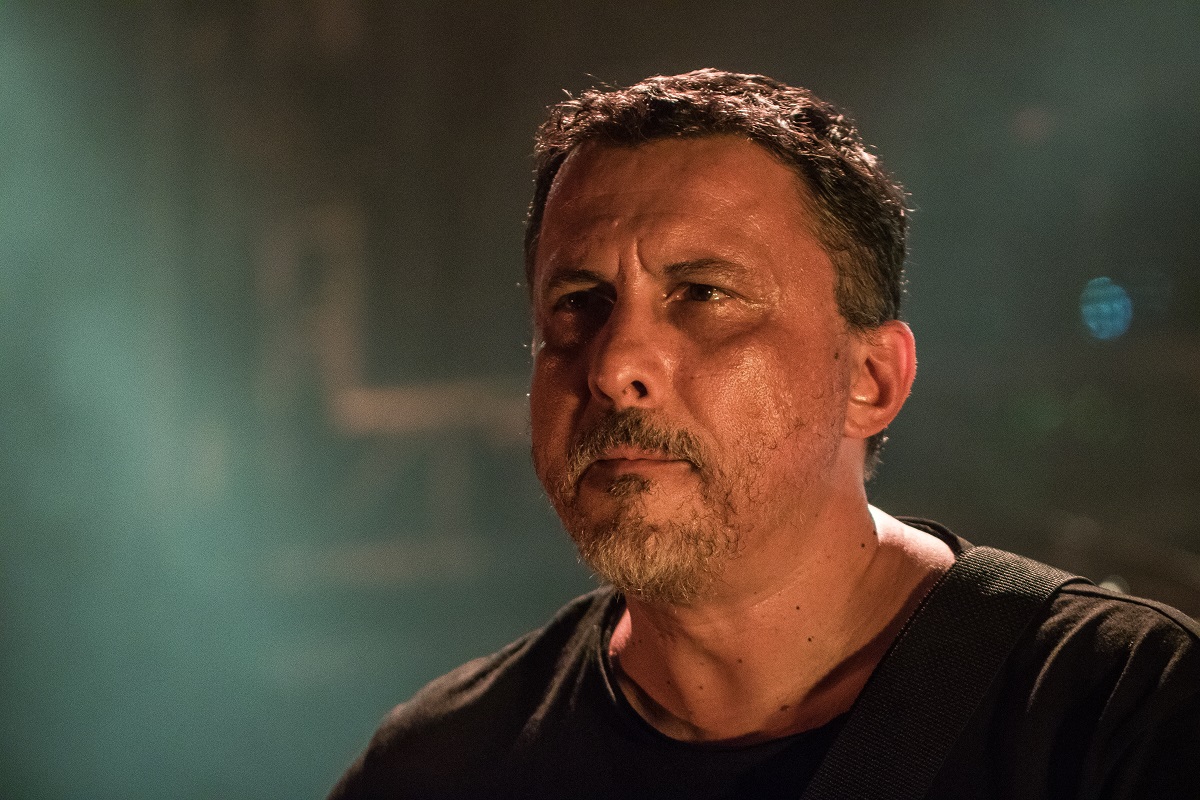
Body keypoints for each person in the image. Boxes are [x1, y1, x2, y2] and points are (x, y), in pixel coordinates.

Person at [327, 70, 1200, 799]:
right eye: (578, 302)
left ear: (871, 380)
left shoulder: (1120, 713)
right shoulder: (438, 767)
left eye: (703, 294)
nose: (615, 364)